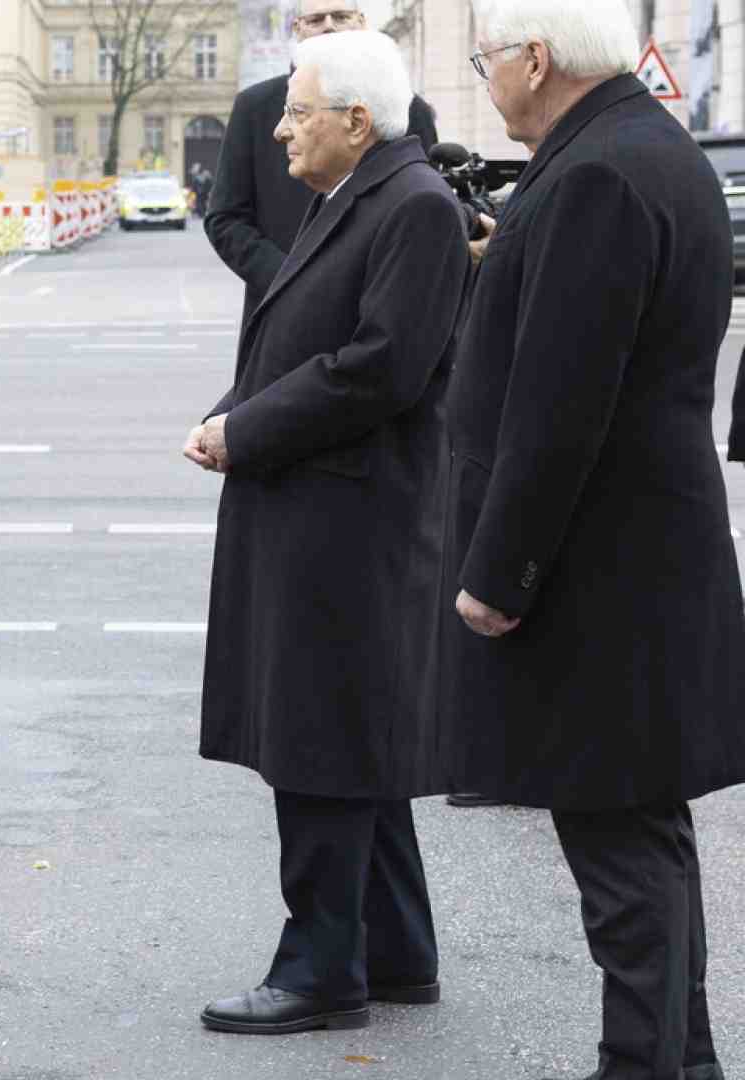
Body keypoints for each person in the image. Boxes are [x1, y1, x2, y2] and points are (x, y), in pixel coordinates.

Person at [445, 2, 745, 1076]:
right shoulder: (640, 151)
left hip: (598, 574)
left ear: (536, 58)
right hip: (640, 559)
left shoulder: (596, 178)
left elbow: (560, 406)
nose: (484, 80)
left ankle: (643, 1064)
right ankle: (685, 1059)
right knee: (646, 840)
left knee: (621, 859)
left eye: (486, 61)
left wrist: (500, 573)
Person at [185, 29, 467, 1036]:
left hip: (350, 525)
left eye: (298, 111)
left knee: (320, 745)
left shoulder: (415, 208)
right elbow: (300, 337)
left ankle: (320, 969)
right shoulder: (359, 197)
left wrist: (246, 429)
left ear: (357, 119)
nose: (280, 129)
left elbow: (379, 365)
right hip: (326, 513)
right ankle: (393, 951)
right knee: (355, 746)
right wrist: (230, 412)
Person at [205, 0, 439, 328]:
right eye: (316, 19)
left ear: (361, 23)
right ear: (297, 28)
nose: (329, 26)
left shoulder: (406, 108)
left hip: (376, 312)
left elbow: (427, 208)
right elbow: (225, 218)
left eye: (341, 17)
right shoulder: (254, 107)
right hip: (281, 315)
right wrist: (292, 280)